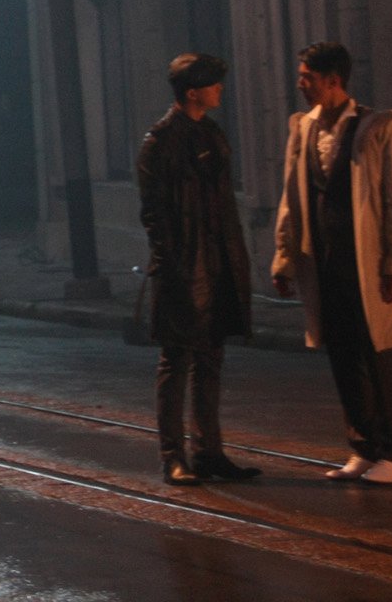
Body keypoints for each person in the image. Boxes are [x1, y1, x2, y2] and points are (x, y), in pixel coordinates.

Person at [271, 41, 392, 484]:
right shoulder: (303, 128)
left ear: (333, 80)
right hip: (323, 258)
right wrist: (284, 258)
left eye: (308, 77)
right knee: (342, 352)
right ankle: (362, 445)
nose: (300, 84)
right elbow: (291, 198)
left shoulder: (379, 126)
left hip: (367, 258)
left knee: (378, 353)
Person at [136, 52, 260, 486]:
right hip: (184, 262)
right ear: (192, 92)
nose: (220, 90)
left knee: (211, 355)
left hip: (217, 256)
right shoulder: (161, 141)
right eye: (212, 84)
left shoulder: (211, 132)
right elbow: (154, 213)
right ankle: (173, 455)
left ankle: (209, 452)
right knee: (177, 358)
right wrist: (170, 263)